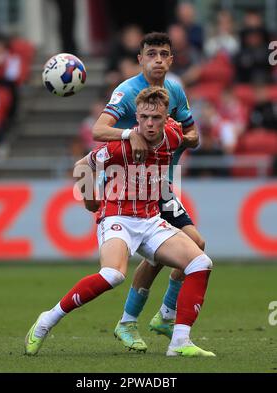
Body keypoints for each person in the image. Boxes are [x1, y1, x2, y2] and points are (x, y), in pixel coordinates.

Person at [24, 86, 215, 357]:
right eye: (144, 118)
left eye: (156, 118)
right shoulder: (121, 145)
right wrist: (90, 200)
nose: (150, 124)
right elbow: (82, 165)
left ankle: (179, 342)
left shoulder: (173, 135)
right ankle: (47, 320)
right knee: (113, 275)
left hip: (150, 219)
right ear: (136, 117)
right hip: (117, 218)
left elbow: (192, 137)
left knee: (200, 262)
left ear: (165, 118)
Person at [92, 32, 204, 352]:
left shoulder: (176, 90)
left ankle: (162, 316)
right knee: (172, 250)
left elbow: (191, 129)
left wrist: (190, 138)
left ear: (171, 59)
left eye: (163, 53)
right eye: (150, 53)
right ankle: (133, 320)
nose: (157, 59)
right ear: (140, 59)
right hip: (130, 188)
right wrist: (130, 134)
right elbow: (98, 130)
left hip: (161, 184)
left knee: (196, 245)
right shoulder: (126, 91)